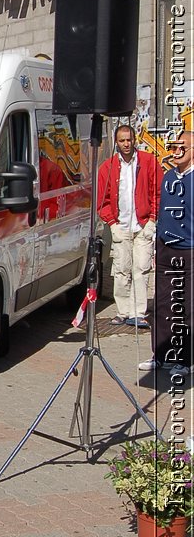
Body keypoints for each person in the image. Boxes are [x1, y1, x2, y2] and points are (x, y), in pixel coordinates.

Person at [97, 124, 162, 327]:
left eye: (129, 139)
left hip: (143, 225)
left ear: (135, 140)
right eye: (122, 140)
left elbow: (158, 193)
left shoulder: (149, 162)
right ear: (116, 142)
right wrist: (112, 223)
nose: (126, 144)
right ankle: (123, 311)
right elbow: (102, 201)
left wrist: (152, 219)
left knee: (141, 268)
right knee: (121, 269)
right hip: (120, 225)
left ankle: (138, 312)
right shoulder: (107, 167)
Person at [140, 130, 194, 374]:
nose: (177, 151)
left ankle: (184, 360)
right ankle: (160, 355)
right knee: (162, 305)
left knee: (186, 307)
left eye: (183, 147)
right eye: (175, 147)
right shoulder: (168, 177)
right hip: (165, 248)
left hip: (189, 250)